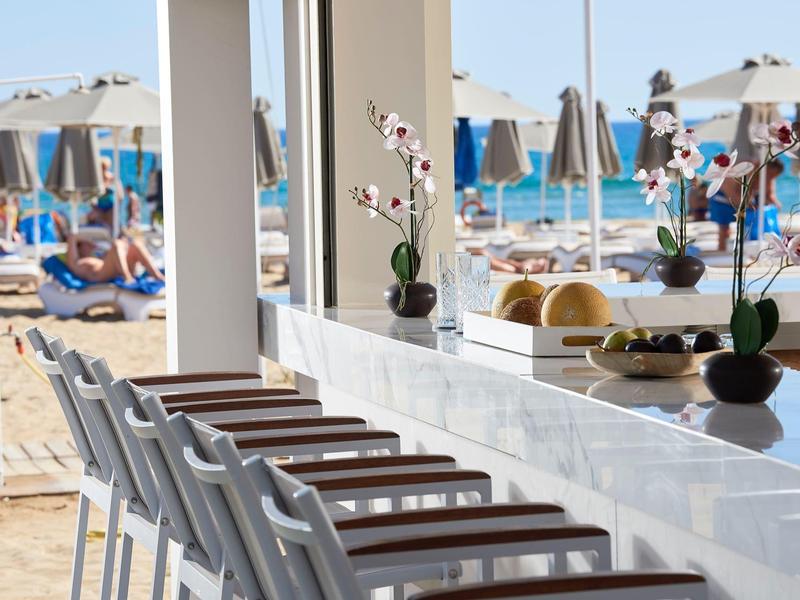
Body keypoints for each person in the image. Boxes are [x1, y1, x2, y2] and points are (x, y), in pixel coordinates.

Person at [709, 159, 783, 250]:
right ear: (766, 168)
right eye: (770, 175)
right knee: (724, 228)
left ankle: (735, 250)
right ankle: (722, 251)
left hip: (742, 200)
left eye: (774, 177)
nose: (771, 178)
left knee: (746, 225)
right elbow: (732, 193)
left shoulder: (768, 177)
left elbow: (769, 194)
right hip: (723, 198)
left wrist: (774, 205)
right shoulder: (748, 170)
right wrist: (748, 205)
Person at [65, 233, 164, 284]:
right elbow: (71, 238)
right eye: (87, 243)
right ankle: (127, 278)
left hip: (114, 270)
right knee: (117, 244)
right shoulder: (79, 262)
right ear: (79, 247)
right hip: (101, 276)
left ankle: (157, 276)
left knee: (135, 244)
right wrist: (75, 238)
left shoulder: (97, 256)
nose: (91, 245)